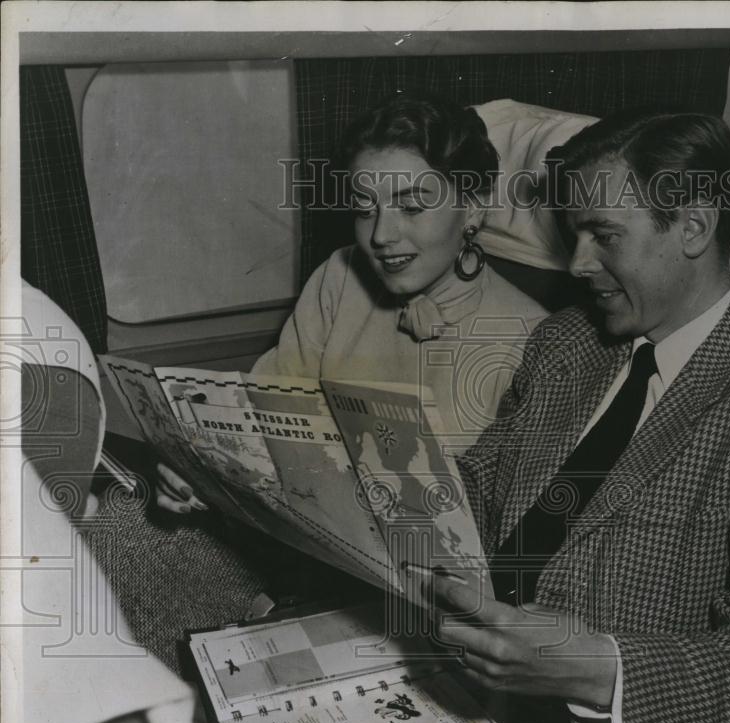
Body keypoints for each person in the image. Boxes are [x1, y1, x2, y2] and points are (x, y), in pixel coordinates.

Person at [430, 110, 730, 723]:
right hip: (464, 689)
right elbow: (481, 486)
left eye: (603, 235)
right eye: (573, 233)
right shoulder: (568, 342)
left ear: (693, 226)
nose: (579, 264)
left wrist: (591, 671)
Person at [156, 94, 550, 514]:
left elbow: (501, 517)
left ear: (472, 208)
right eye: (365, 208)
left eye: (412, 206)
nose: (381, 235)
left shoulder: (537, 342)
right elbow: (265, 412)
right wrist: (204, 465)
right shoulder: (340, 277)